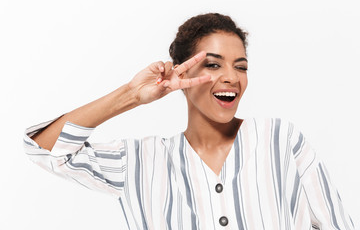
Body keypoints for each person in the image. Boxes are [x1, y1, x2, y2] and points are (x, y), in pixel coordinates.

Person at [24, 13, 354, 229]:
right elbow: (43, 149)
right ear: (181, 72)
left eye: (241, 66)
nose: (231, 77)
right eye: (213, 65)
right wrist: (131, 95)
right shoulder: (141, 161)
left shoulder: (279, 139)